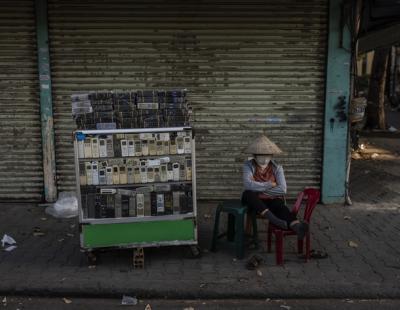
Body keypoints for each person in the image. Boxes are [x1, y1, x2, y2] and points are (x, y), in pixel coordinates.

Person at [241, 135, 308, 239]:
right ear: (255, 155)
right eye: (261, 155)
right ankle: (274, 220)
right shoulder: (248, 165)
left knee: (281, 206)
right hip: (254, 201)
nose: (264, 158)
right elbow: (248, 185)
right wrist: (269, 184)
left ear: (271, 155)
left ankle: (297, 226)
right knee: (248, 193)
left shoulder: (277, 167)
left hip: (271, 200)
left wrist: (259, 190)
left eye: (267, 155)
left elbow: (282, 189)